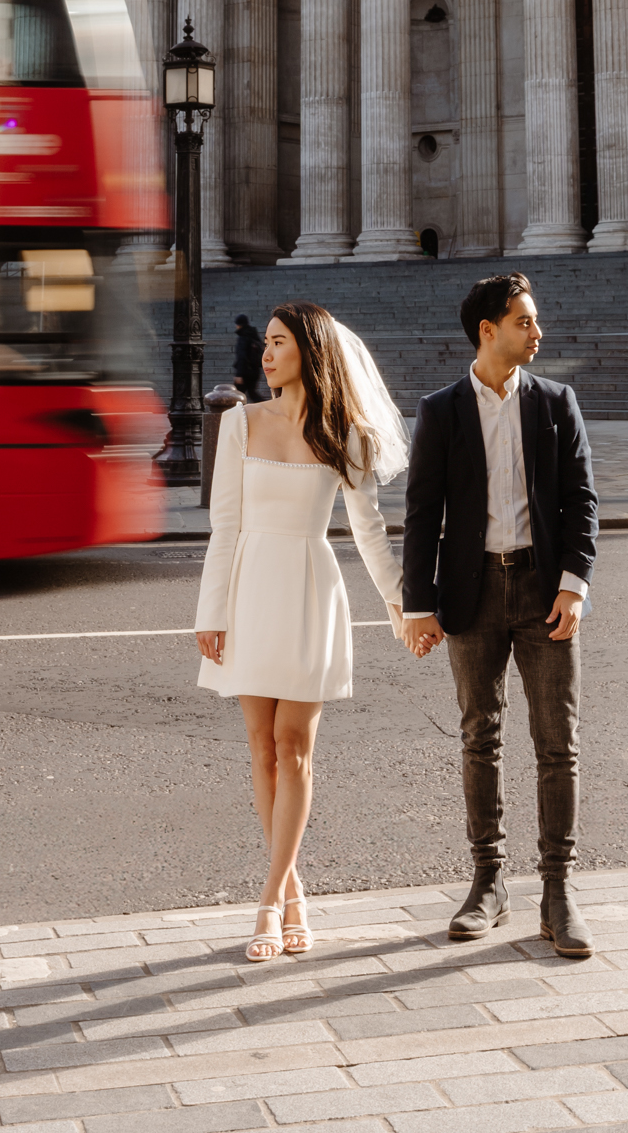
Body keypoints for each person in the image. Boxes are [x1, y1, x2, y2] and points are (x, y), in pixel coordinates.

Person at [195, 304, 407, 962]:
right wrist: (212, 611)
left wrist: (402, 604)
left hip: (313, 586)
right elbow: (224, 525)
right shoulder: (238, 423)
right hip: (251, 585)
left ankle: (266, 899)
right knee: (261, 747)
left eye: (279, 343)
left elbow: (367, 530)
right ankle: (292, 891)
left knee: (295, 746)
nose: (266, 354)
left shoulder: (344, 432)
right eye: (265, 342)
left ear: (309, 352)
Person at [400, 271, 598, 958]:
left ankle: (557, 890)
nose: (538, 333)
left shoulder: (555, 402)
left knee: (556, 743)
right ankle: (488, 882)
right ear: (489, 330)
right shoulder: (441, 410)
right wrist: (418, 605)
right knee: (479, 738)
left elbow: (581, 500)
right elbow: (422, 514)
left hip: (544, 592)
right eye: (525, 321)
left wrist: (574, 583)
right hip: (473, 593)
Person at [231, 312, 268, 401]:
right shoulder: (254, 335)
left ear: (239, 325)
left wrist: (239, 374)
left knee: (235, 395)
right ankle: (265, 408)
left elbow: (242, 356)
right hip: (254, 371)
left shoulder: (243, 337)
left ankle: (234, 413)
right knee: (252, 393)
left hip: (245, 372)